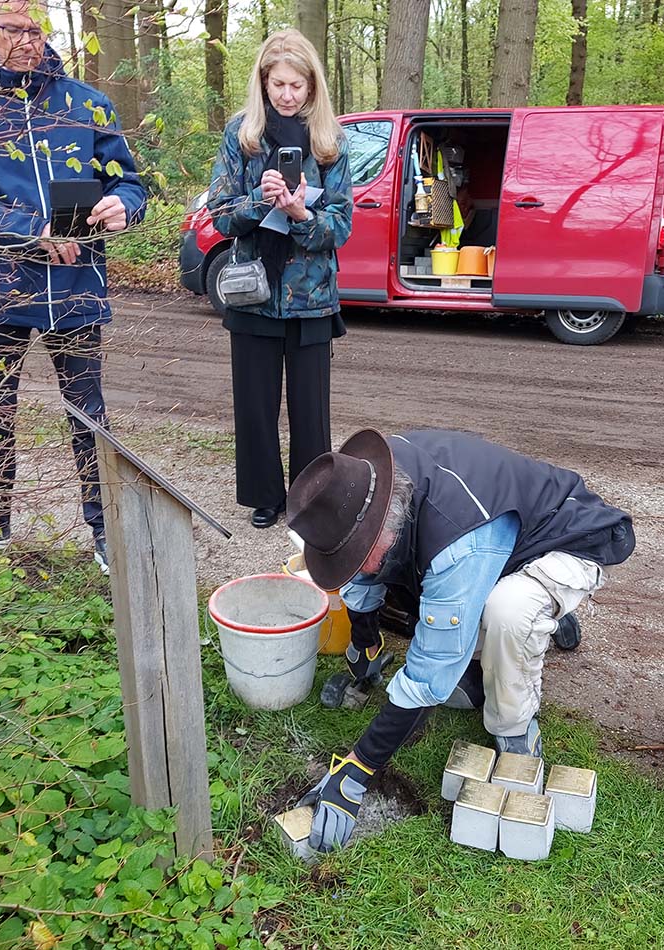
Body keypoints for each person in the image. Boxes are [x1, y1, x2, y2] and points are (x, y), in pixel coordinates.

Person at [286, 427, 636, 852]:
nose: (352, 566)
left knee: (509, 613)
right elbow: (360, 579)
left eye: (355, 555)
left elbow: (430, 669)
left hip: (567, 536)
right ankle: (528, 614)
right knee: (458, 650)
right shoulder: (364, 483)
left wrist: (357, 770)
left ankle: (516, 727)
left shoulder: (455, 542)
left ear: (384, 527)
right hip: (501, 538)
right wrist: (364, 642)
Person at [0, 0, 147, 571]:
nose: (26, 40)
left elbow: (130, 182)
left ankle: (104, 536)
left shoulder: (86, 104)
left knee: (89, 416)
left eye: (34, 29)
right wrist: (31, 230)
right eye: (12, 29)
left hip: (76, 287)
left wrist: (122, 205)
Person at [207, 29, 353, 529]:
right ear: (263, 84)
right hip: (253, 293)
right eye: (278, 85)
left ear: (313, 87)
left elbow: (342, 224)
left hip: (312, 297)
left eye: (298, 86)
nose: (288, 96)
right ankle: (265, 496)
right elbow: (220, 216)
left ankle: (310, 498)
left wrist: (300, 215)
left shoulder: (330, 142)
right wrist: (259, 201)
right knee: (254, 403)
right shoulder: (240, 137)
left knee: (311, 412)